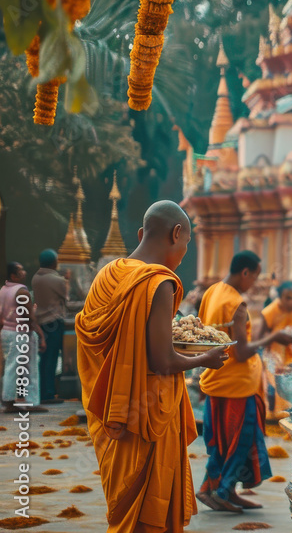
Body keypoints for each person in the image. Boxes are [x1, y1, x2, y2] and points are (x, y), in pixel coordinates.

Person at [75, 201, 229, 532]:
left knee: (124, 507)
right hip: (145, 415)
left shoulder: (108, 273)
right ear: (176, 234)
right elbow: (162, 361)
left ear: (143, 233)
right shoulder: (160, 283)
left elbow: (111, 344)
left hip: (112, 410)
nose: (184, 252)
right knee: (148, 516)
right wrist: (207, 358)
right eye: (186, 243)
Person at [197, 251, 292, 513]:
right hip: (237, 385)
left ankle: (219, 490)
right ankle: (220, 491)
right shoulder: (236, 304)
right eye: (255, 276)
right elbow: (240, 351)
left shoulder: (212, 292)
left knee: (228, 440)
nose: (254, 282)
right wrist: (273, 338)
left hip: (217, 379)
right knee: (239, 442)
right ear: (245, 273)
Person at [259, 281, 292, 420]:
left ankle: (287, 415)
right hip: (273, 354)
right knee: (275, 385)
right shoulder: (270, 311)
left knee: (291, 385)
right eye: (288, 298)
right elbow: (259, 337)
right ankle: (271, 414)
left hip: (289, 353)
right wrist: (276, 336)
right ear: (279, 297)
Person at [2, 261, 44, 412]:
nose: (24, 272)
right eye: (20, 271)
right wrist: (41, 335)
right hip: (21, 333)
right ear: (13, 275)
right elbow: (30, 317)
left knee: (11, 367)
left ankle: (9, 400)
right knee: (28, 368)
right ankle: (30, 401)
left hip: (7, 332)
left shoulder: (4, 290)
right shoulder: (22, 292)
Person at [33, 249, 67, 403]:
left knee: (44, 358)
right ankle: (49, 393)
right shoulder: (57, 280)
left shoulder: (35, 278)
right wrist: (67, 280)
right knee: (52, 358)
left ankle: (42, 391)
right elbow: (67, 298)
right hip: (54, 322)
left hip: (41, 323)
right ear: (54, 262)